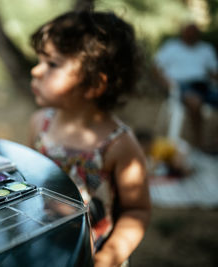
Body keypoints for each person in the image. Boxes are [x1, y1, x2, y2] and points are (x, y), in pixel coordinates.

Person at [27, 10, 151, 267]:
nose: (36, 71)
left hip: (93, 254)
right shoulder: (40, 124)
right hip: (45, 249)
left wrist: (108, 258)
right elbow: (29, 180)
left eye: (52, 64)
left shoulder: (118, 144)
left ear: (95, 84)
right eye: (40, 60)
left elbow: (136, 210)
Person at [154, 23, 218, 149]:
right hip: (180, 85)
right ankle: (199, 142)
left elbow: (213, 72)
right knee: (194, 101)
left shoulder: (206, 49)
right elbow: (156, 68)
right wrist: (166, 83)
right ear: (182, 33)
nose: (191, 35)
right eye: (188, 32)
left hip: (203, 85)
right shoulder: (171, 47)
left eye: (194, 32)